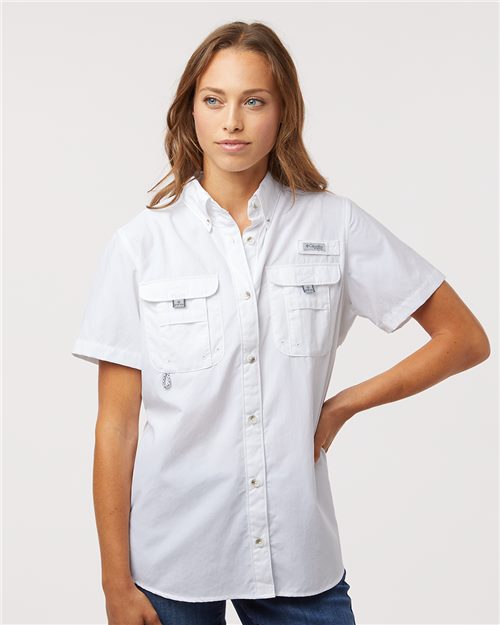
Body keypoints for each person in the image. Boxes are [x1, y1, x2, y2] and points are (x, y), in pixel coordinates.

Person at [71, 20, 490, 625]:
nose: (231, 122)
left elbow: (464, 339)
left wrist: (343, 405)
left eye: (254, 101)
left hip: (296, 551)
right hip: (170, 559)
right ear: (189, 111)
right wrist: (115, 581)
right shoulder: (140, 246)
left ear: (284, 112)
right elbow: (116, 427)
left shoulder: (334, 225)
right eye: (213, 100)